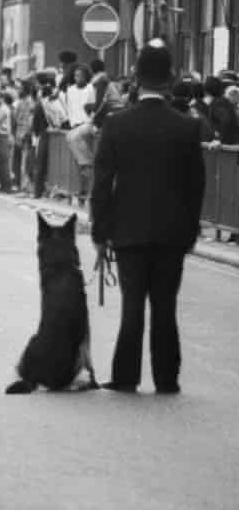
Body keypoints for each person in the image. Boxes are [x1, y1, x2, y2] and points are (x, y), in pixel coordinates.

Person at [91, 40, 205, 395]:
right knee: (166, 307)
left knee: (132, 307)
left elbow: (102, 183)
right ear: (170, 79)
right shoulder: (187, 127)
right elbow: (195, 187)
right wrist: (189, 232)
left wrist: (100, 231)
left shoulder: (116, 125)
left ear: (136, 79)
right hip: (172, 234)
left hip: (128, 231)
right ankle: (167, 378)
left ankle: (126, 376)